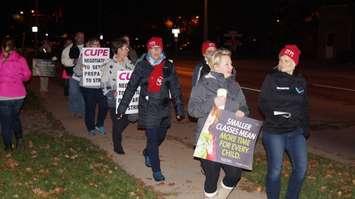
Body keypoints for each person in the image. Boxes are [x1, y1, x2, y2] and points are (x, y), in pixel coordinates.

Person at [116, 36, 185, 181]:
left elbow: (175, 88)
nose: (156, 51)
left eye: (158, 47)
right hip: (148, 108)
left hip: (164, 109)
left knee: (161, 136)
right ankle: (156, 170)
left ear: (162, 49)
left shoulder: (168, 66)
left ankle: (147, 152)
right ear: (148, 49)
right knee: (153, 140)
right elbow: (131, 87)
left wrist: (179, 108)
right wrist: (122, 108)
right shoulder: (142, 65)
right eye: (153, 48)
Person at [188, 49, 249, 199]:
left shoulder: (235, 85)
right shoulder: (204, 83)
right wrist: (211, 103)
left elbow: (245, 106)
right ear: (216, 66)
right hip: (208, 138)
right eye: (227, 63)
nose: (231, 66)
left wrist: (242, 111)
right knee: (212, 176)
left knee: (235, 174)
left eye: (231, 63)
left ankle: (220, 196)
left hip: (228, 138)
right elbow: (192, 110)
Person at [259, 44, 309, 199]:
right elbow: (264, 104)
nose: (283, 63)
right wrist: (282, 113)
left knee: (301, 168)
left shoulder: (301, 81)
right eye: (281, 59)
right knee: (275, 171)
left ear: (294, 63)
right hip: (274, 132)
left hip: (295, 132)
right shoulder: (271, 79)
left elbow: (304, 106)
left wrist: (305, 129)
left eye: (287, 60)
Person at [101, 38, 136, 154]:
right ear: (118, 50)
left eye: (127, 48)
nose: (127, 50)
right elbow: (104, 82)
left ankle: (117, 133)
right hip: (115, 100)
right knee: (117, 122)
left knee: (129, 119)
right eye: (125, 48)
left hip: (129, 99)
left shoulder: (130, 64)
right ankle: (117, 145)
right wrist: (112, 92)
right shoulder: (109, 64)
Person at [0, 37, 31, 151]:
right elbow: (27, 75)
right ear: (14, 47)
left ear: (2, 47)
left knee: (6, 121)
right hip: (19, 95)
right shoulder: (21, 59)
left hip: (3, 95)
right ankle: (19, 138)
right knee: (14, 117)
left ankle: (8, 146)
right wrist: (19, 78)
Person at [74, 37, 108, 135]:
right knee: (90, 108)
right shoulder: (83, 57)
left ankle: (99, 124)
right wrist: (83, 68)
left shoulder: (104, 58)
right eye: (95, 44)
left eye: (99, 44)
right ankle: (91, 127)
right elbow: (76, 71)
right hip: (87, 87)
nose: (97, 46)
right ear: (89, 46)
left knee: (104, 106)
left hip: (100, 87)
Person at [61, 32, 85, 118]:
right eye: (79, 37)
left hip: (85, 75)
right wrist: (73, 62)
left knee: (82, 93)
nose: (81, 39)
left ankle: (82, 111)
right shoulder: (69, 48)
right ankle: (75, 110)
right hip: (73, 74)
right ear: (75, 38)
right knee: (74, 92)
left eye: (82, 37)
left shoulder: (88, 48)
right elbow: (63, 61)